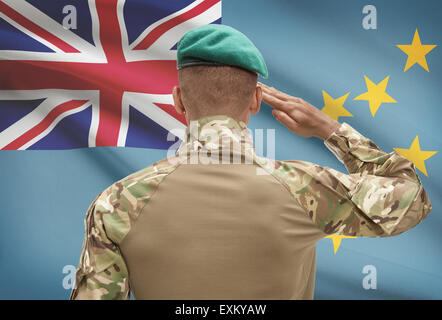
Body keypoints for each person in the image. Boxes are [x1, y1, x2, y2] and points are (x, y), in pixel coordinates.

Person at [70, 24, 431, 300]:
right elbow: (412, 197)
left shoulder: (115, 203)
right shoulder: (306, 188)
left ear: (179, 100)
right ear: (257, 100)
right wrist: (330, 129)